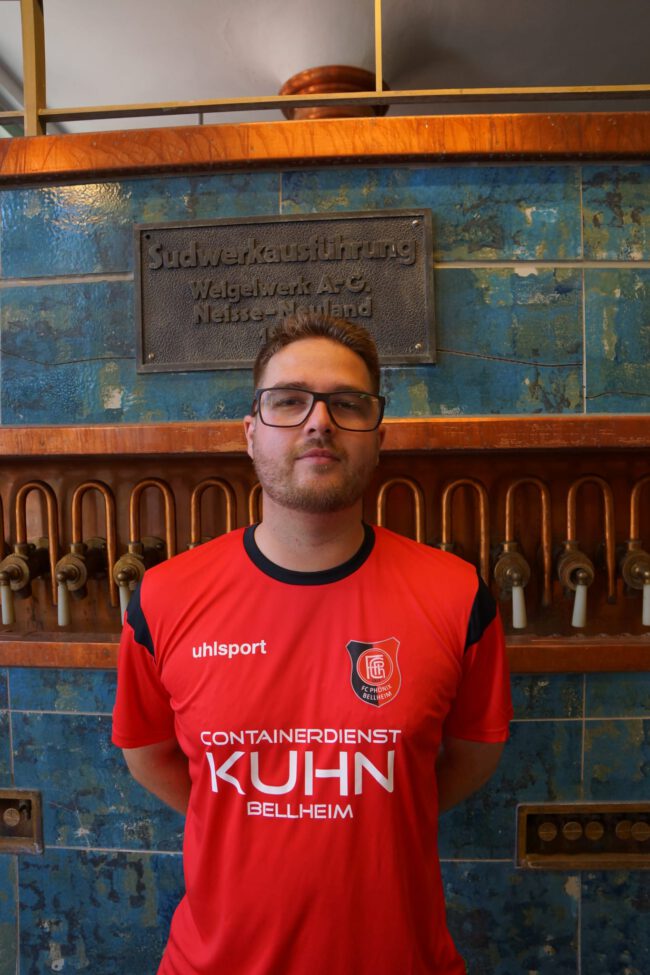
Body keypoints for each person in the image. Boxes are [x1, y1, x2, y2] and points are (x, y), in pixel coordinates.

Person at [112, 310, 512, 975]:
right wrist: (245, 813)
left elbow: (473, 755)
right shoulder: (163, 598)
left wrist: (379, 809)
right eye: (289, 401)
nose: (319, 421)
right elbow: (148, 755)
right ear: (251, 432)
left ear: (378, 437)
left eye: (347, 404)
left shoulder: (458, 595)